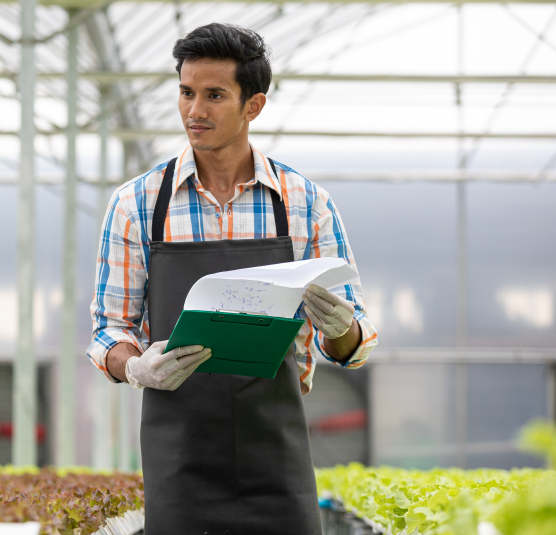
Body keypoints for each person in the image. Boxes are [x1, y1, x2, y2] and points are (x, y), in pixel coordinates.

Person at [86, 23, 379, 534]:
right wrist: (135, 368)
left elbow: (355, 345)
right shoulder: (137, 204)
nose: (194, 111)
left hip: (277, 454)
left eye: (214, 95)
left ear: (253, 105)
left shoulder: (304, 204)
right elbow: (110, 329)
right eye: (186, 92)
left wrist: (339, 327)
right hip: (179, 459)